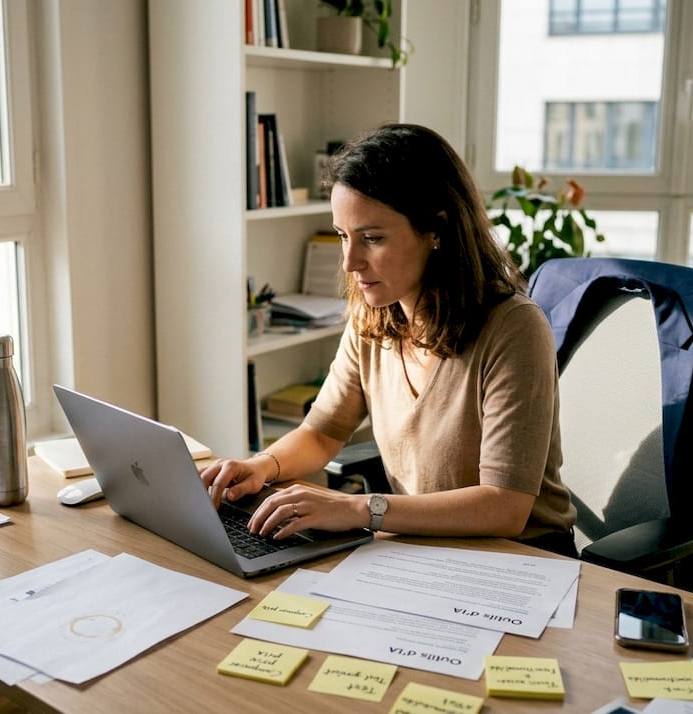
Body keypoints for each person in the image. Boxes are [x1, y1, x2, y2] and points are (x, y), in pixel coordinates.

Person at [200, 123, 577, 556]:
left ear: (437, 229)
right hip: (422, 550)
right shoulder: (374, 314)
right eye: (343, 236)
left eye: (372, 238)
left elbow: (505, 507)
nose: (349, 262)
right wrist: (260, 467)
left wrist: (360, 508)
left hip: (523, 558)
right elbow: (322, 433)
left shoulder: (513, 327)